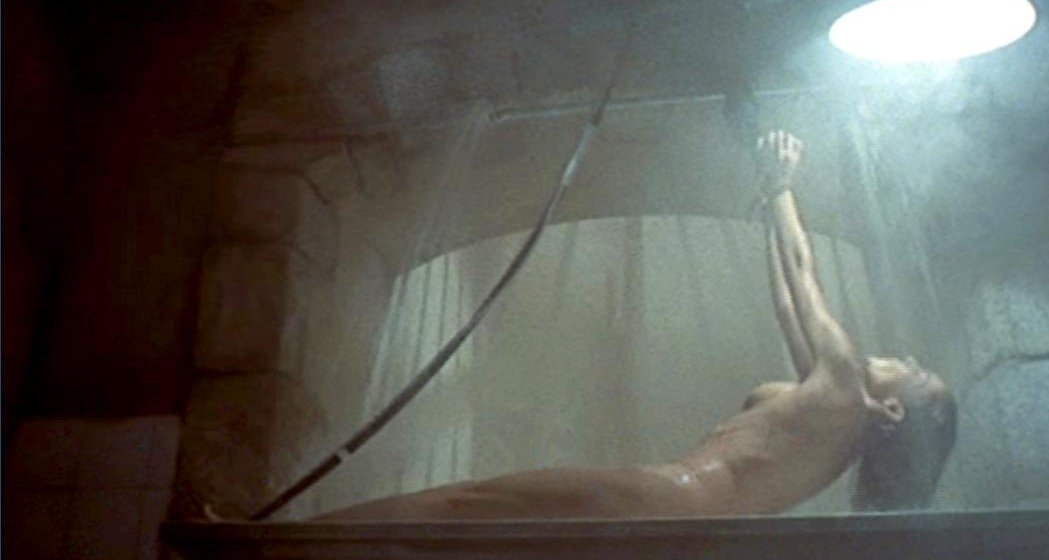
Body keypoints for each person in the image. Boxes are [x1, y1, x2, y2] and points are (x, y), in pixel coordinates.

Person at [312, 129, 956, 521]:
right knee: (475, 514)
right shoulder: (829, 411)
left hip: (673, 498)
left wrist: (782, 183)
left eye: (918, 374)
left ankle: (292, 544)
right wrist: (766, 201)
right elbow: (788, 305)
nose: (907, 358)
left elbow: (802, 273)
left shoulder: (844, 387)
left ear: (894, 410)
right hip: (685, 514)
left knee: (468, 505)